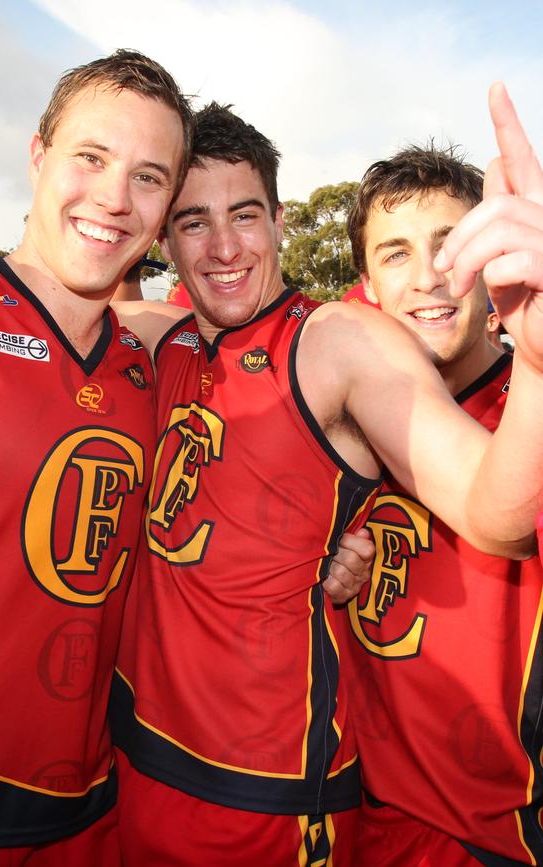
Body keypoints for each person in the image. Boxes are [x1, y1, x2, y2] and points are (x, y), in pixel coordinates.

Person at [0, 84, 543, 865]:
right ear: (166, 240)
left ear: (279, 220)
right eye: (193, 222)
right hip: (124, 773)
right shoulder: (156, 344)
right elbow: (60, 309)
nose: (224, 246)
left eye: (244, 214)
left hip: (268, 800)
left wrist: (536, 361)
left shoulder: (341, 342)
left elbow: (492, 509)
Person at [0, 49, 193, 866]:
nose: (112, 197)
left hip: (87, 813)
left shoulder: (153, 363)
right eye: (91, 158)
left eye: (148, 177)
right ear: (37, 156)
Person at [340, 142, 543, 866]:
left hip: (490, 841)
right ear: (366, 282)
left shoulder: (531, 422)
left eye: (451, 244)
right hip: (347, 824)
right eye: (395, 254)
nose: (429, 277)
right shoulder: (339, 421)